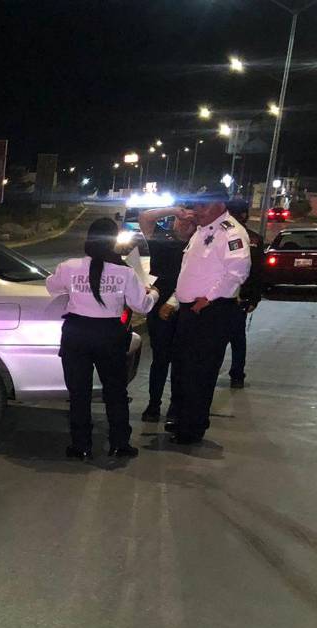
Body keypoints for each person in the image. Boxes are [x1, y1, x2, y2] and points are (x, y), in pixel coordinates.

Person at [46, 217, 158, 460]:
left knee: (79, 393)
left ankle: (81, 446)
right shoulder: (125, 273)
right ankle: (119, 443)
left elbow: (51, 286)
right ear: (112, 242)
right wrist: (155, 293)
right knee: (115, 392)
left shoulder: (69, 267)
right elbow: (143, 305)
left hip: (76, 334)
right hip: (110, 335)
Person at [168, 191, 252, 445]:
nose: (198, 210)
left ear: (219, 205)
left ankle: (192, 427)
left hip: (209, 312)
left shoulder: (231, 232)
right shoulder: (202, 230)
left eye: (203, 206)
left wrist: (210, 298)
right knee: (183, 369)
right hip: (189, 311)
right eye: (196, 205)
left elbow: (237, 271)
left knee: (200, 371)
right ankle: (183, 419)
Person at [137, 204, 197, 422]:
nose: (185, 224)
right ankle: (154, 405)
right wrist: (174, 210)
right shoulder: (162, 238)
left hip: (186, 305)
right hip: (159, 302)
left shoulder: (199, 244)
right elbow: (145, 216)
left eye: (191, 222)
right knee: (160, 358)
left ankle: (176, 407)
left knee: (182, 359)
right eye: (182, 219)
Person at [223, 197, 264, 388]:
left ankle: (236, 373)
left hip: (234, 296)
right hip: (232, 296)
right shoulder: (250, 237)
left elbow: (256, 271)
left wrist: (253, 297)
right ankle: (236, 374)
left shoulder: (248, 238)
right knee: (236, 338)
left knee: (232, 337)